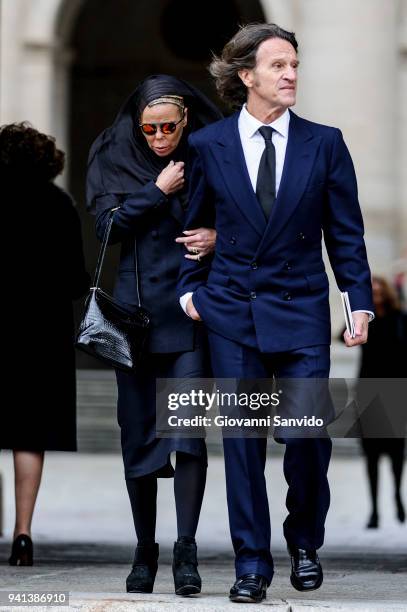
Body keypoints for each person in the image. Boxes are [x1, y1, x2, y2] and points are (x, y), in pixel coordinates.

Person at [177, 23, 374, 603]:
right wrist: (193, 292)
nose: (291, 75)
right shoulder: (209, 145)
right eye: (278, 66)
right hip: (232, 313)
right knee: (241, 444)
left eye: (294, 65)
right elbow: (193, 222)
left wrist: (356, 300)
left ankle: (305, 539)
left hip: (302, 310)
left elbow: (346, 233)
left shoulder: (325, 142)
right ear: (246, 77)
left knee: (307, 435)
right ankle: (252, 564)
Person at [86, 75, 222, 596]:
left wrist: (216, 237)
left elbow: (243, 220)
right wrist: (157, 190)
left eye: (169, 126)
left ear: (187, 120)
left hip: (190, 315)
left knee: (188, 435)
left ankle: (186, 550)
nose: (160, 136)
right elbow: (107, 227)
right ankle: (146, 549)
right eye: (150, 128)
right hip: (134, 317)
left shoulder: (210, 155)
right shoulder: (113, 152)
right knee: (138, 434)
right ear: (137, 126)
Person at [0, 122, 90, 565]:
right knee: (28, 438)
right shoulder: (59, 205)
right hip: (41, 336)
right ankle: (22, 534)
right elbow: (76, 281)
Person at [357, 276, 406, 528]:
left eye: (379, 292)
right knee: (371, 455)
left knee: (397, 454)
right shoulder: (364, 320)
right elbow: (338, 334)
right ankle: (374, 509)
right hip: (368, 393)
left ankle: (398, 497)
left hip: (395, 392)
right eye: (371, 292)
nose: (375, 296)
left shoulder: (400, 319)